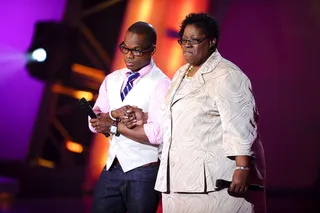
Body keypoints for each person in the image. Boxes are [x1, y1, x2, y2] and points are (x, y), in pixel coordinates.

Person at [154, 13, 266, 213]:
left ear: (212, 41)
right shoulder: (181, 72)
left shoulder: (227, 75)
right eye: (184, 40)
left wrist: (242, 168)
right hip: (178, 177)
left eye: (194, 40)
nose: (187, 45)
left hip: (213, 181)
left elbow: (240, 125)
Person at [88, 21, 171, 213]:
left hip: (144, 171)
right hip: (112, 167)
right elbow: (94, 124)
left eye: (137, 50)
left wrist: (112, 125)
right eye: (125, 48)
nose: (129, 55)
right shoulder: (112, 79)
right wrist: (111, 115)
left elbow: (157, 134)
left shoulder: (161, 83)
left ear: (152, 50)